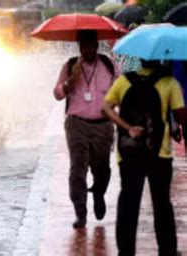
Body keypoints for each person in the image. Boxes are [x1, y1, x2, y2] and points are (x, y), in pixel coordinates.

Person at [103, 59, 186, 256]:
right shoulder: (169, 83)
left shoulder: (124, 81)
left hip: (128, 154)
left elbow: (106, 108)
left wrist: (126, 127)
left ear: (140, 59)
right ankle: (167, 251)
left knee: (128, 204)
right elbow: (181, 117)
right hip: (160, 153)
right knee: (162, 204)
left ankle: (126, 251)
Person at [54, 30, 121, 229]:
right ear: (79, 47)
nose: (88, 50)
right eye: (84, 46)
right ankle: (80, 213)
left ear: (97, 45)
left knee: (102, 170)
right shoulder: (70, 65)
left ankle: (99, 193)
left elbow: (122, 89)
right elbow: (57, 94)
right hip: (76, 125)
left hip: (103, 125)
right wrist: (70, 81)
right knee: (77, 170)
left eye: (91, 46)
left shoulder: (109, 64)